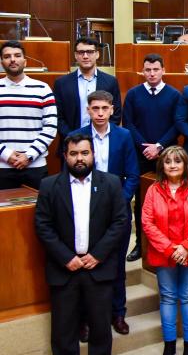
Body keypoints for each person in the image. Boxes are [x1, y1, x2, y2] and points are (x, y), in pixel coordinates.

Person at [35, 134, 127, 355]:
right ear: (65, 156)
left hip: (98, 264)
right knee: (64, 322)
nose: (79, 158)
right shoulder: (49, 186)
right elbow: (43, 226)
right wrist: (67, 258)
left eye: (84, 153)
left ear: (92, 155)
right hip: (64, 267)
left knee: (100, 320)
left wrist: (97, 255)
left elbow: (120, 222)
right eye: (74, 154)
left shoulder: (109, 183)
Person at [69, 90, 140, 337]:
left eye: (104, 108)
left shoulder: (123, 136)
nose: (100, 113)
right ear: (88, 110)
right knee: (87, 266)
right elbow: (67, 176)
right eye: (95, 108)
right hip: (84, 212)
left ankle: (117, 313)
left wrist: (119, 203)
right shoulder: (76, 137)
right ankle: (86, 319)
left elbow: (132, 175)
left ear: (112, 110)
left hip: (115, 211)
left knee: (117, 265)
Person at [142, 146, 188, 355]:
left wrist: (186, 247)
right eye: (168, 161)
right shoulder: (154, 189)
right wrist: (172, 249)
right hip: (164, 253)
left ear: (185, 164)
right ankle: (169, 344)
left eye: (177, 161)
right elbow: (147, 222)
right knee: (169, 297)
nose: (173, 165)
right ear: (162, 165)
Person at [122, 53, 181, 262]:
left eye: (156, 69)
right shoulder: (133, 94)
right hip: (139, 156)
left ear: (163, 70)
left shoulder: (174, 95)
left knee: (169, 201)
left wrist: (158, 146)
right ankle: (140, 243)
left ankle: (167, 242)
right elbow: (128, 123)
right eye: (148, 70)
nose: (152, 73)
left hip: (167, 157)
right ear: (143, 71)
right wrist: (145, 146)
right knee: (141, 203)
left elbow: (177, 124)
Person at [0, 41, 57, 190]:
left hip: (35, 165)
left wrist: (29, 155)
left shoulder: (42, 88)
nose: (12, 59)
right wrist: (6, 154)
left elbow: (50, 127)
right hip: (2, 166)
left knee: (40, 211)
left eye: (17, 55)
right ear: (2, 62)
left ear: (25, 61)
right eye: (7, 56)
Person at [54, 37, 122, 138]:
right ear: (76, 55)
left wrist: (102, 135)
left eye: (90, 52)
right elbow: (57, 116)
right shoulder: (62, 83)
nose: (85, 56)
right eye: (81, 52)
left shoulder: (111, 81)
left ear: (97, 54)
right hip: (71, 142)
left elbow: (115, 114)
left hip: (102, 140)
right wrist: (72, 137)